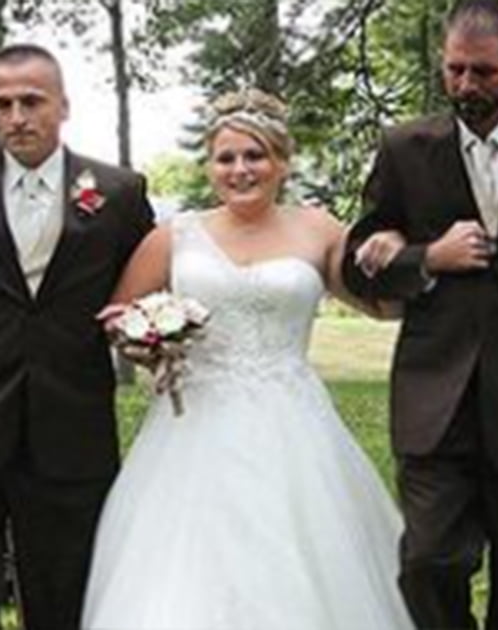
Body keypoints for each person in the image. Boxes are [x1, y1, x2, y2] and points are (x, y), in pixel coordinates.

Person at [79, 89, 413, 629]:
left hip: (293, 420)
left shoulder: (320, 229)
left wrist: (394, 253)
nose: (240, 169)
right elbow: (117, 315)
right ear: (210, 165)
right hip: (193, 424)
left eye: (254, 156)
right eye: (226, 158)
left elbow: (383, 307)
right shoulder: (175, 236)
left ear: (282, 161)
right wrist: (148, 342)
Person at [0, 44, 154, 630]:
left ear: (62, 105)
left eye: (32, 101)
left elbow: (149, 293)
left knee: (61, 597)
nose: (17, 115)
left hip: (72, 432)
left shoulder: (118, 193)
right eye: (2, 103)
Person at [341, 1, 498, 627]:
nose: (467, 85)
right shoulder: (404, 149)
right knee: (427, 562)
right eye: (455, 70)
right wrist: (425, 257)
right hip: (433, 399)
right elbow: (355, 261)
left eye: (483, 72)